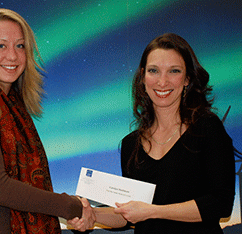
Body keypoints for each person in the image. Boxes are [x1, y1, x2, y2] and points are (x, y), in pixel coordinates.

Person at [0, 8, 94, 234]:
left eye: (20, 45)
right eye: (1, 45)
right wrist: (70, 206)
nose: (12, 56)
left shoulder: (15, 108)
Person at [68, 33, 236, 233]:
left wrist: (153, 211)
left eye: (174, 71)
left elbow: (220, 203)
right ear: (143, 76)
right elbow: (127, 217)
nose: (162, 82)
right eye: (154, 71)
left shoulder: (207, 128)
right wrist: (92, 216)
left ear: (187, 79)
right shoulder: (131, 144)